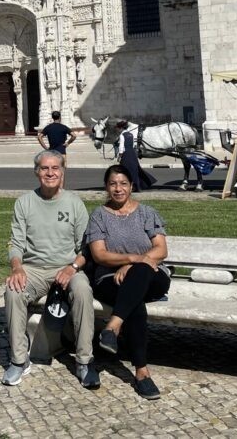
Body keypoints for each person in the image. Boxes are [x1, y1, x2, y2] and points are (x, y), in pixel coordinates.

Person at [2, 150, 98, 390]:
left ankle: (85, 361)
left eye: (55, 168)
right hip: (33, 268)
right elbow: (16, 243)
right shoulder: (24, 202)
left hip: (67, 267)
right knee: (13, 291)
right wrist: (17, 268)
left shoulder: (74, 203)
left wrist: (72, 267)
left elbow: (85, 248)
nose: (50, 173)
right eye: (45, 168)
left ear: (62, 172)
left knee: (83, 291)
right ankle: (19, 359)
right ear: (37, 172)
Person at [84, 164, 170, 400]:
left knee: (139, 276)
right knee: (135, 304)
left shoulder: (146, 213)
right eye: (113, 184)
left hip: (152, 276)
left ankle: (112, 327)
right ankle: (142, 373)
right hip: (110, 280)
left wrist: (133, 265)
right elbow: (99, 255)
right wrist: (132, 258)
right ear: (106, 187)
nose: (118, 189)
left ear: (132, 186)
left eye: (123, 183)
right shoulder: (99, 215)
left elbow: (161, 249)